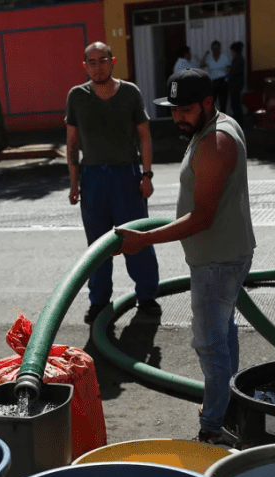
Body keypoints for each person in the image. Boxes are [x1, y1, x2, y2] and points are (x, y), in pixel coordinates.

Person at [114, 69, 255, 445]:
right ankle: (227, 408)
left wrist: (144, 239)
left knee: (210, 343)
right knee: (223, 333)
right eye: (174, 109)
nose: (178, 117)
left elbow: (202, 217)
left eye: (186, 110)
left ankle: (214, 428)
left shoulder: (215, 142)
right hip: (224, 254)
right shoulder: (215, 127)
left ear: (208, 103)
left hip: (216, 260)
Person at [66, 41, 161, 324]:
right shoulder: (77, 96)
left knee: (136, 238)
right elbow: (72, 143)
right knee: (97, 244)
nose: (98, 67)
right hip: (92, 177)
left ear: (113, 61)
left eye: (103, 60)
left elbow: (144, 136)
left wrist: (146, 175)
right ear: (85, 66)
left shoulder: (130, 92)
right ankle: (99, 301)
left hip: (126, 175)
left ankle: (147, 296)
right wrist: (74, 183)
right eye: (92, 62)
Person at [200, 40, 231, 113]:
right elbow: (201, 65)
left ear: (219, 48)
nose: (216, 49)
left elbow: (229, 68)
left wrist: (228, 71)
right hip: (213, 82)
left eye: (217, 48)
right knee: (212, 103)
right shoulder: (209, 58)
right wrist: (205, 55)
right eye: (214, 48)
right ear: (212, 49)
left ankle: (223, 117)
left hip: (223, 82)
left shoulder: (224, 57)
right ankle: (213, 117)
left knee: (223, 103)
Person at [228, 41, 246, 121]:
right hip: (236, 85)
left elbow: (235, 72)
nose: (231, 52)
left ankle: (239, 121)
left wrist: (229, 70)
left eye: (232, 51)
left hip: (236, 85)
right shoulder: (238, 58)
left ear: (234, 50)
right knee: (235, 104)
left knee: (236, 105)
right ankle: (239, 120)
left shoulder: (238, 59)